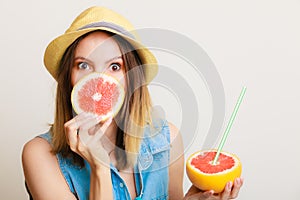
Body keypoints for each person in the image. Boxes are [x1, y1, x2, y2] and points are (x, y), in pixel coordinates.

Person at [21, 6, 243, 200]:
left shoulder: (168, 141)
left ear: (132, 79)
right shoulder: (40, 155)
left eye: (115, 66)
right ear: (68, 79)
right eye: (84, 65)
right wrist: (100, 167)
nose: (100, 80)